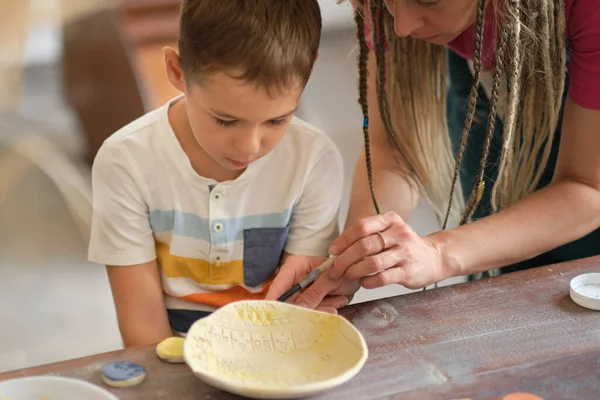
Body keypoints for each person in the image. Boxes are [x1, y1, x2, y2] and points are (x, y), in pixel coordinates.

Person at [266, 0, 600, 309]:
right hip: (489, 39)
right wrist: (354, 258)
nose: (403, 27)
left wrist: (440, 253)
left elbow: (587, 188)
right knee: (498, 257)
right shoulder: (397, 11)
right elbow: (397, 152)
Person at [87, 0, 348, 348]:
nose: (249, 147)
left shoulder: (314, 159)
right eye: (225, 120)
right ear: (177, 71)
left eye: (277, 120)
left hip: (276, 347)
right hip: (174, 354)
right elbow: (142, 328)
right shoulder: (125, 162)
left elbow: (302, 302)